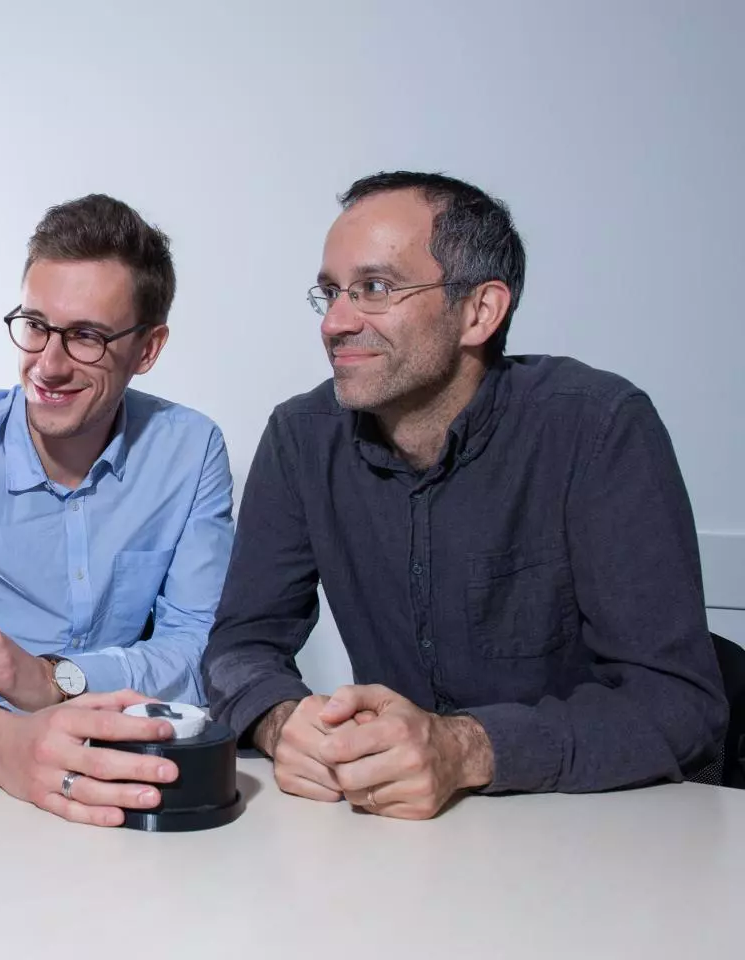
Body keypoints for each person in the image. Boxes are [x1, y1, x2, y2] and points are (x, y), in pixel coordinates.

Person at [204, 171, 727, 819]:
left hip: (603, 824)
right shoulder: (300, 438)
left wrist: (467, 748)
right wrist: (282, 720)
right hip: (412, 840)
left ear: (479, 311)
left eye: (374, 288)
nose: (336, 322)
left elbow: (679, 705)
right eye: (331, 292)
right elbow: (239, 648)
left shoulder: (597, 425)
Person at [0, 194, 235, 826]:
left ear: (149, 349)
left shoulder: (190, 451)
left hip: (122, 769)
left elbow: (202, 648)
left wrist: (56, 678)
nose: (47, 365)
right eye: (34, 325)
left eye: (86, 336)